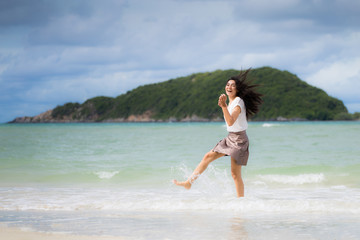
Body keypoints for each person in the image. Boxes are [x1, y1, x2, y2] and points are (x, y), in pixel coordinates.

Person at [173, 69, 263, 197]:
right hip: (230, 138)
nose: (229, 87)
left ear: (237, 89)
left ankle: (241, 203)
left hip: (239, 140)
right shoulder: (230, 102)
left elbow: (231, 121)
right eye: (227, 85)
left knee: (235, 174)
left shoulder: (238, 102)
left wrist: (223, 106)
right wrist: (225, 106)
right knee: (207, 157)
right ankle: (189, 183)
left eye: (233, 85)